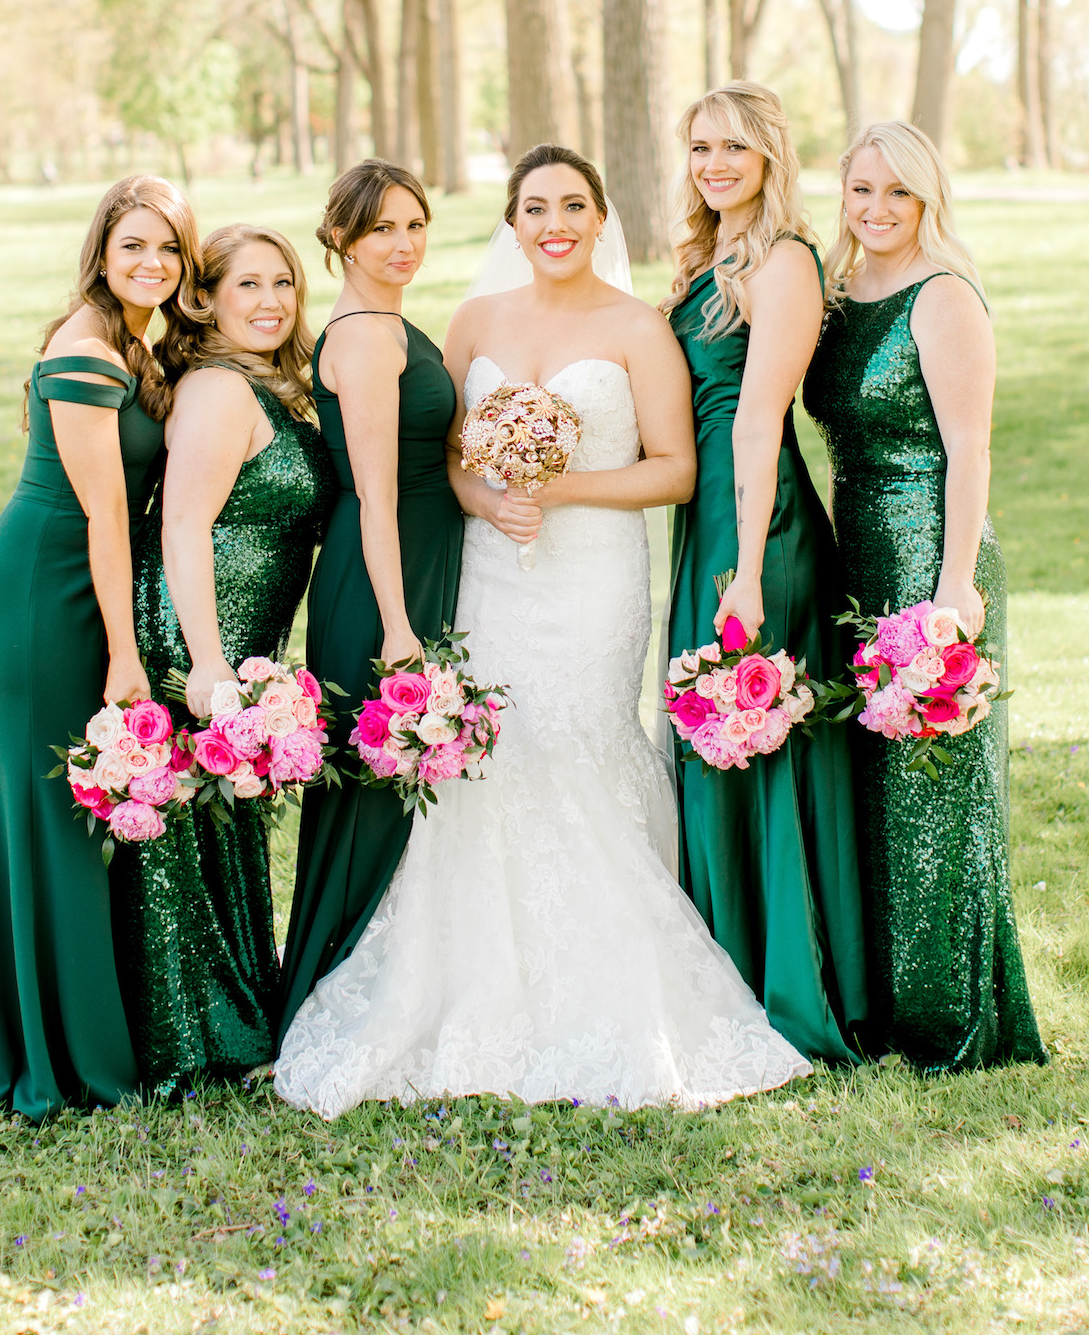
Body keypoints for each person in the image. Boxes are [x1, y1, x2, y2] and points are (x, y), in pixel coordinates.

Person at [273, 144, 813, 1116]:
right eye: (534, 207)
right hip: (493, 576)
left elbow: (676, 469)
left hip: (593, 578)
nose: (554, 223)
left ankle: (612, 1002)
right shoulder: (473, 320)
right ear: (512, 224)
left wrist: (561, 488)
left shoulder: (637, 327)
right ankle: (473, 990)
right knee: (495, 760)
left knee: (577, 749)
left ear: (601, 219)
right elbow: (437, 448)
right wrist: (485, 496)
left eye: (573, 205)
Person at [0, 176, 201, 1118]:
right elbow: (106, 518)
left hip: (69, 584)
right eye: (133, 247)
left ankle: (42, 1033)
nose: (151, 264)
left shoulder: (129, 342)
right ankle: (49, 1054)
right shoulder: (85, 351)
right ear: (102, 253)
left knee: (51, 814)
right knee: (46, 816)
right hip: (41, 595)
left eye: (168, 250)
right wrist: (125, 654)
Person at [802, 122, 1045, 1073]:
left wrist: (951, 593)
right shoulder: (837, 291)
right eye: (861, 189)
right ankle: (875, 1003)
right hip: (853, 548)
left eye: (897, 193)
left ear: (928, 198)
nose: (876, 210)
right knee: (870, 782)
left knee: (932, 789)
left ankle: (945, 1017)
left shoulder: (942, 296)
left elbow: (970, 451)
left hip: (929, 556)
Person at [662, 83, 869, 1062]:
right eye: (701, 146)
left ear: (770, 158)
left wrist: (743, 570)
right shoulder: (707, 257)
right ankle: (721, 965)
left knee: (755, 734)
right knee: (714, 740)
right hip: (705, 517)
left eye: (735, 149)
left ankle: (780, 978)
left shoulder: (784, 262)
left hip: (758, 523)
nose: (715, 164)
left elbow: (756, 418)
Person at [111, 224, 335, 1098]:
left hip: (245, 644)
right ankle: (188, 1042)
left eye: (283, 283)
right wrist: (206, 662)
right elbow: (183, 525)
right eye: (248, 286)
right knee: (179, 840)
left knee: (223, 829)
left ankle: (235, 1021)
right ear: (205, 300)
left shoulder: (263, 385)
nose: (272, 301)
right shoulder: (215, 389)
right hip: (192, 635)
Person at [273, 160, 465, 1048]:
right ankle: (329, 985)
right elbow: (378, 495)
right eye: (382, 229)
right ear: (340, 239)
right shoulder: (362, 338)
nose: (404, 244)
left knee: (395, 782)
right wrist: (396, 625)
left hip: (413, 555)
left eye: (415, 225)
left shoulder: (390, 321)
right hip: (381, 572)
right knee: (370, 784)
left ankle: (392, 969)